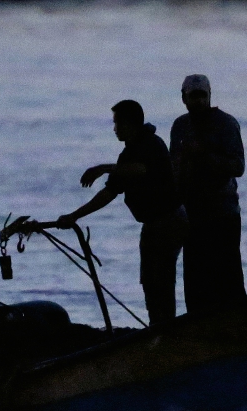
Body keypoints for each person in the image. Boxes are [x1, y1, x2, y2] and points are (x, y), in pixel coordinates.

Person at [57, 99, 187, 326]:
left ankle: (165, 331)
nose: (114, 128)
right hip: (154, 224)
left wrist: (102, 168)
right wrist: (74, 216)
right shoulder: (127, 154)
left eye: (117, 123)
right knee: (151, 282)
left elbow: (141, 169)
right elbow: (109, 193)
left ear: (130, 123)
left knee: (160, 281)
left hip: (168, 221)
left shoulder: (151, 144)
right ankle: (159, 327)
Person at [169, 74, 246, 314]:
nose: (199, 101)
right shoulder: (180, 126)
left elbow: (238, 166)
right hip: (191, 214)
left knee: (228, 277)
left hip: (222, 213)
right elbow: (174, 167)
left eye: (203, 95)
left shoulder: (226, 124)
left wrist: (204, 154)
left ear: (210, 95)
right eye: (194, 96)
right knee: (195, 279)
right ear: (184, 98)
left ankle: (237, 323)